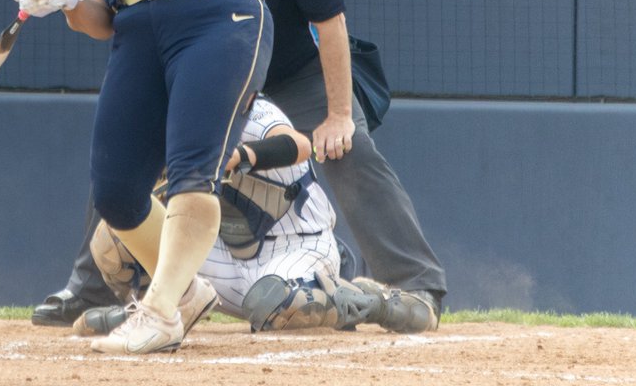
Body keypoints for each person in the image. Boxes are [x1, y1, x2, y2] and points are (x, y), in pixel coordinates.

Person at [31, 0, 446, 331]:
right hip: (202, 60)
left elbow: (330, 21)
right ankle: (103, 288)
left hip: (291, 71)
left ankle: (415, 284)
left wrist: (339, 113)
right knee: (128, 160)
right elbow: (108, 11)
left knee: (350, 149)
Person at [17, 0, 272, 354]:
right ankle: (184, 294)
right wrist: (60, 1)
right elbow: (99, 19)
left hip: (216, 13)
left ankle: (158, 312)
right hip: (137, 33)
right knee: (116, 190)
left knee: (192, 170)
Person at [73, 96, 440, 336]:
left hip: (295, 245)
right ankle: (159, 311)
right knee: (115, 238)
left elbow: (299, 145)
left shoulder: (249, 107)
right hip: (223, 257)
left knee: (277, 305)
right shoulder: (166, 121)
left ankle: (373, 300)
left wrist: (238, 157)